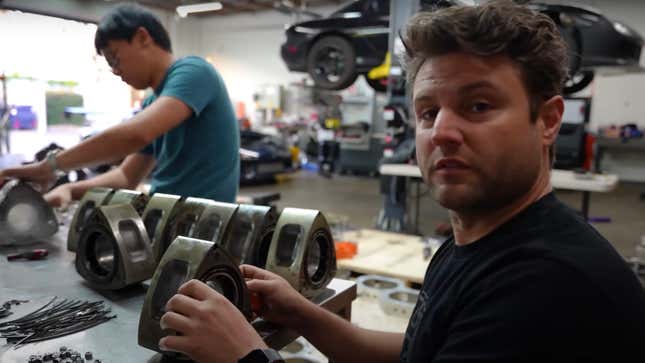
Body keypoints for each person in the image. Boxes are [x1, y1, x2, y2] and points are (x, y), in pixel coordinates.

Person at [158, 1, 645, 362]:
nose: (443, 132)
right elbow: (420, 353)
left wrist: (246, 356)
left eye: (478, 106)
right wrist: (303, 314)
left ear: (548, 120)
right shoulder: (473, 245)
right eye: (428, 112)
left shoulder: (547, 288)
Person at [0, 4, 240, 206]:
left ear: (143, 38)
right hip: (167, 216)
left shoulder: (193, 71)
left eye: (114, 57)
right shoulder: (152, 102)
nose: (115, 71)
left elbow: (135, 134)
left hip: (205, 226)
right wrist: (71, 190)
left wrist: (50, 166)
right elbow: (127, 176)